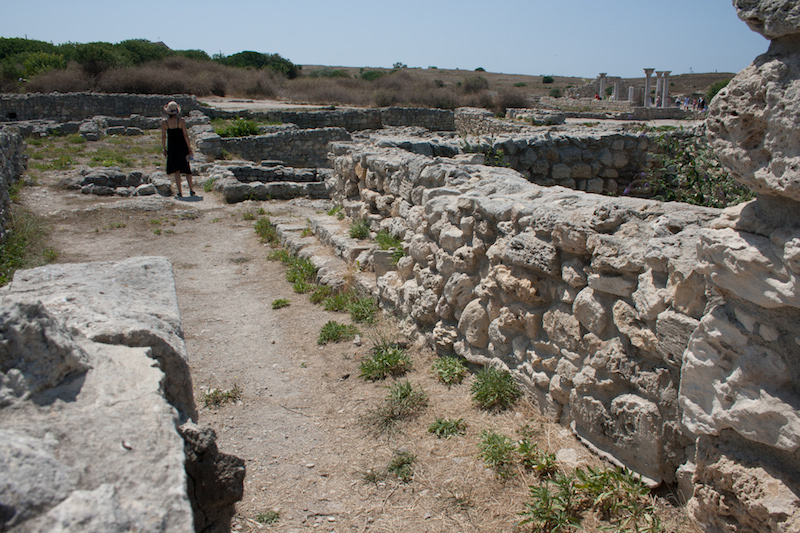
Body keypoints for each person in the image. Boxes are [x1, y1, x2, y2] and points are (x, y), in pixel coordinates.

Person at [161, 101, 195, 197]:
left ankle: (180, 191)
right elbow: (185, 135)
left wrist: (164, 148)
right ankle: (191, 189)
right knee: (186, 169)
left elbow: (163, 136)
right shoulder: (181, 120)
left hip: (172, 146)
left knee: (176, 170)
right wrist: (189, 147)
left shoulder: (164, 122)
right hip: (182, 145)